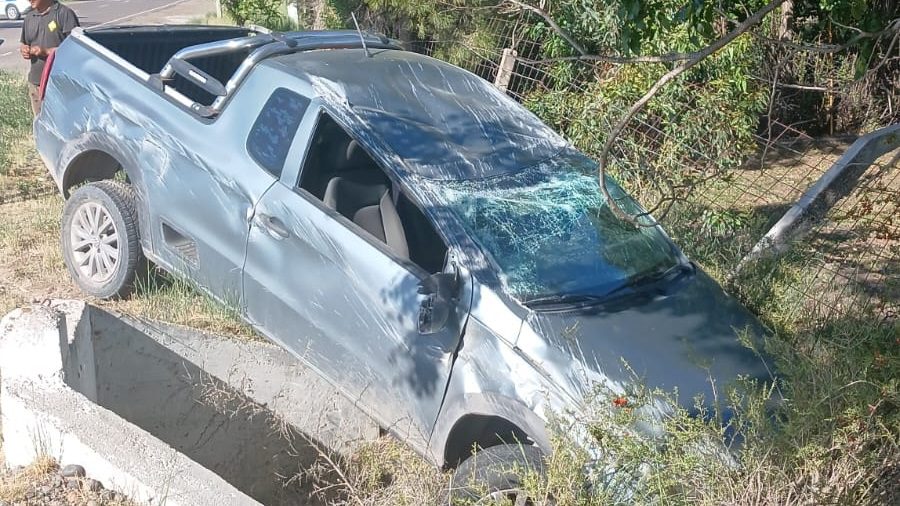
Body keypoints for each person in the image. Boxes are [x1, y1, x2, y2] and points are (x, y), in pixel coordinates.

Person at [20, 0, 79, 116]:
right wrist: (24, 50)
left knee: (61, 123)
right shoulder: (29, 17)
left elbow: (75, 48)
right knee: (40, 124)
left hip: (59, 84)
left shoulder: (64, 13)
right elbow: (24, 43)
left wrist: (46, 51)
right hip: (36, 83)